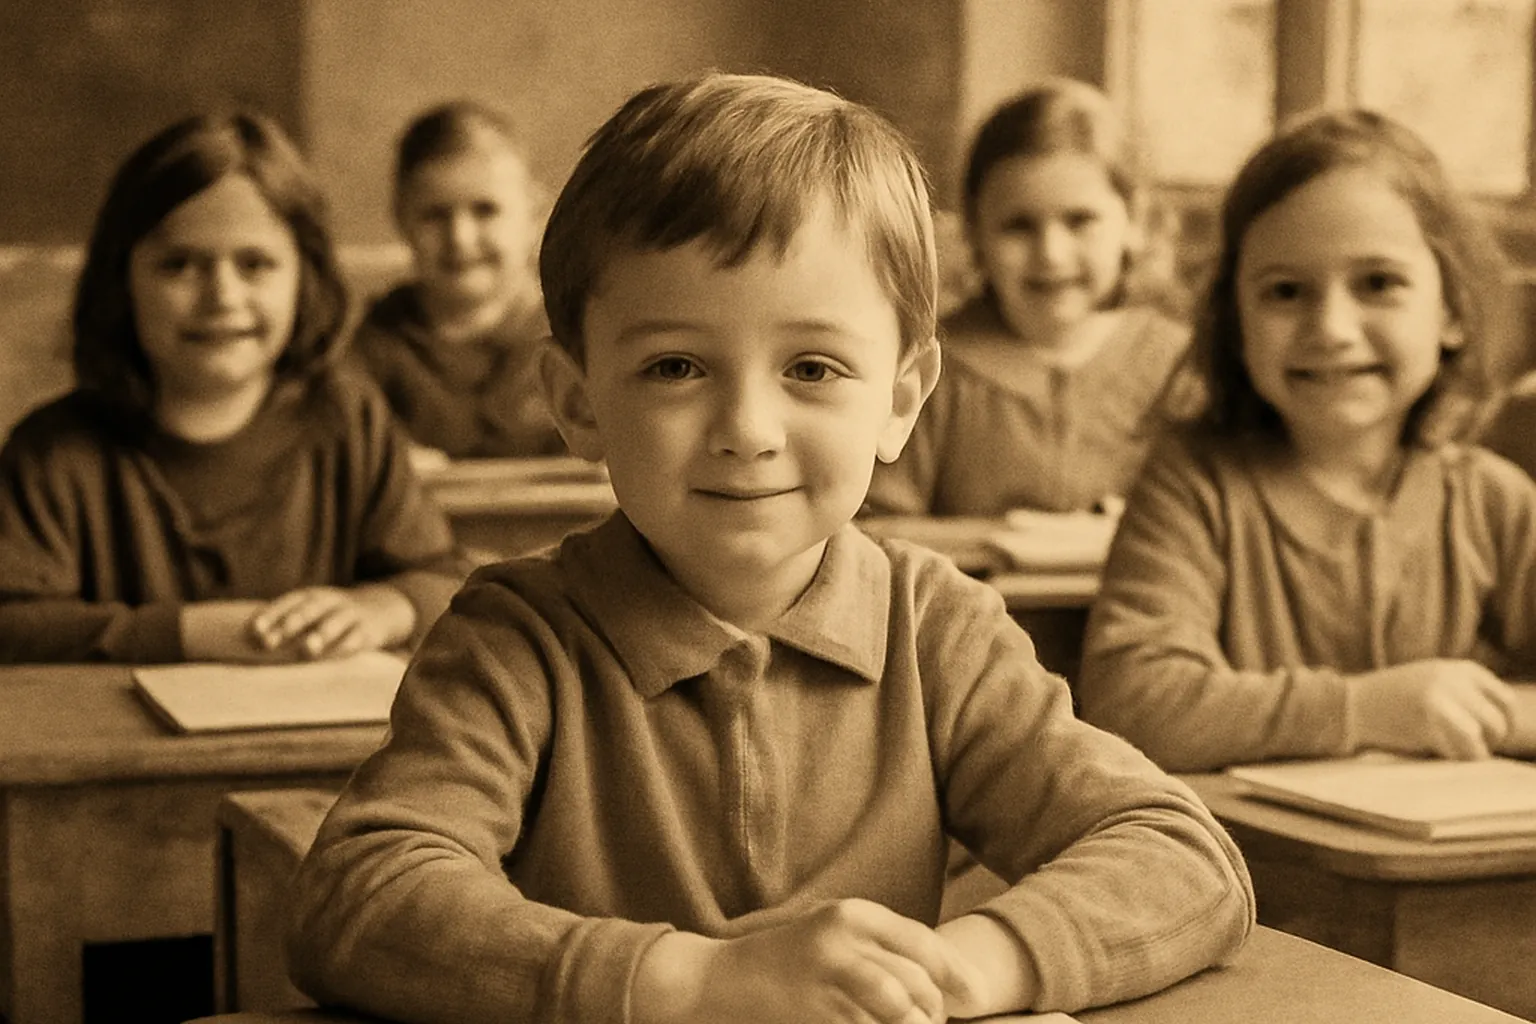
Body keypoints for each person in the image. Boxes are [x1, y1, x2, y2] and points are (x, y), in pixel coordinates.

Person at [286, 72, 1253, 1024]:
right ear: (577, 403)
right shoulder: (516, 644)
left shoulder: (937, 633)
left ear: (902, 399)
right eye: (675, 367)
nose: (747, 430)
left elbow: (1180, 857)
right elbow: (360, 896)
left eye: (812, 368)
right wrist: (696, 985)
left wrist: (950, 973)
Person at [1077, 108, 1531, 773]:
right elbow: (1131, 703)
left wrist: (1479, 712)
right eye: (1286, 292)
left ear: (1452, 311)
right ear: (1236, 324)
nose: (1332, 329)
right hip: (1239, 845)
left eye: (1378, 284)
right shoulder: (1195, 486)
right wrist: (1366, 710)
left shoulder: (1496, 503)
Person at [0, 112, 470, 664]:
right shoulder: (53, 454)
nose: (222, 296)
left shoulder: (348, 421)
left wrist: (387, 606)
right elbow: (13, 624)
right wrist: (186, 632)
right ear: (121, 281)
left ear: (305, 279)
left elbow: (446, 578)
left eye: (255, 264)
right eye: (179, 265)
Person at [864, 78, 1195, 516]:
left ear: (1134, 221)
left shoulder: (1180, 367)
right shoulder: (932, 372)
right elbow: (881, 529)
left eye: (1080, 221)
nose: (1051, 254)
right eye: (1018, 226)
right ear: (975, 233)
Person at [349, 99, 566, 459]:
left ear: (536, 213)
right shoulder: (372, 349)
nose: (460, 238)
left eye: (485, 210)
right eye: (435, 215)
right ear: (401, 219)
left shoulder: (576, 337)